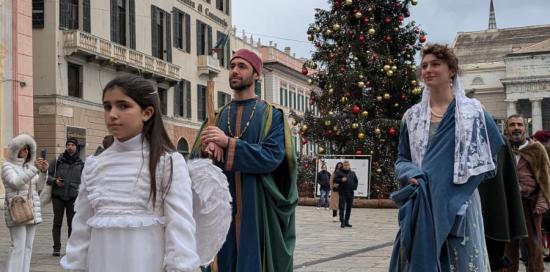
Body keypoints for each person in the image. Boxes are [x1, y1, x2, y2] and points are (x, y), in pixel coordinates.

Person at [60, 74, 200, 271]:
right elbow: (81, 227)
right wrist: (74, 265)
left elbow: (180, 225)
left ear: (147, 112)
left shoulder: (167, 163)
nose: (112, 114)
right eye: (107, 106)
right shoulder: (94, 166)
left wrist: (179, 266)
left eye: (123, 106)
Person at [389, 44, 504, 271]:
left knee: (460, 261)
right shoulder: (411, 117)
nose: (428, 70)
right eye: (424, 66)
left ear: (451, 70)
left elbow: (491, 156)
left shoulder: (474, 112)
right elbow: (402, 159)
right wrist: (412, 173)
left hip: (459, 202)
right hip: (422, 202)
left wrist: (456, 184)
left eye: (435, 64)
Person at [191, 48, 297, 272]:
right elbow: (194, 163)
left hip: (257, 208)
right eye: (232, 66)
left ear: (256, 75)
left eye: (242, 66)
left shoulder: (271, 115)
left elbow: (272, 157)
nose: (234, 71)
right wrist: (206, 149)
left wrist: (229, 144)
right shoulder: (217, 116)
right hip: (221, 209)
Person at [504, 117, 550, 272]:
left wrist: (543, 202)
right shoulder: (502, 149)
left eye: (519, 125)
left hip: (530, 203)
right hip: (508, 204)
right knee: (508, 246)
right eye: (512, 125)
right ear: (506, 128)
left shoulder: (536, 149)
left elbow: (545, 177)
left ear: (525, 128)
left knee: (534, 245)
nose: (516, 128)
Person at [478, 135, 527, 270]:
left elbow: (508, 179)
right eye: (512, 124)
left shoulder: (497, 139)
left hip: (497, 208)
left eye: (519, 124)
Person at [2, 133, 49, 272]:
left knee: (28, 248)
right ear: (16, 149)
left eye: (28, 149)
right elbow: (15, 183)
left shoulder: (28, 167)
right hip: (17, 210)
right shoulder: (7, 166)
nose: (26, 151)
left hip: (31, 210)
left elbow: (38, 187)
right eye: (23, 148)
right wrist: (34, 169)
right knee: (18, 246)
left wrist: (43, 173)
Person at [47, 137, 84, 256]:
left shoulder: (81, 164)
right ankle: (56, 247)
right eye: (68, 144)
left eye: (72, 145)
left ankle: (70, 248)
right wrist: (54, 180)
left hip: (73, 197)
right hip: (58, 196)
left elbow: (85, 181)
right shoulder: (58, 161)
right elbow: (47, 177)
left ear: (76, 147)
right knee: (57, 222)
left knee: (72, 223)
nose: (70, 147)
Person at [532, 130, 550, 262]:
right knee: (544, 227)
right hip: (543, 194)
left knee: (545, 226)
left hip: (545, 194)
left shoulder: (543, 152)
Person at [333, 160, 358, 228]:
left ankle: (347, 222)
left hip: (350, 193)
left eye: (348, 165)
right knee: (342, 207)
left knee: (349, 208)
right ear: (343, 166)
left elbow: (356, 181)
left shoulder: (352, 173)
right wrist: (341, 180)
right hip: (342, 193)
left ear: (349, 166)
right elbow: (334, 180)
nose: (346, 166)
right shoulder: (339, 172)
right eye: (345, 165)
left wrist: (354, 187)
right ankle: (342, 222)